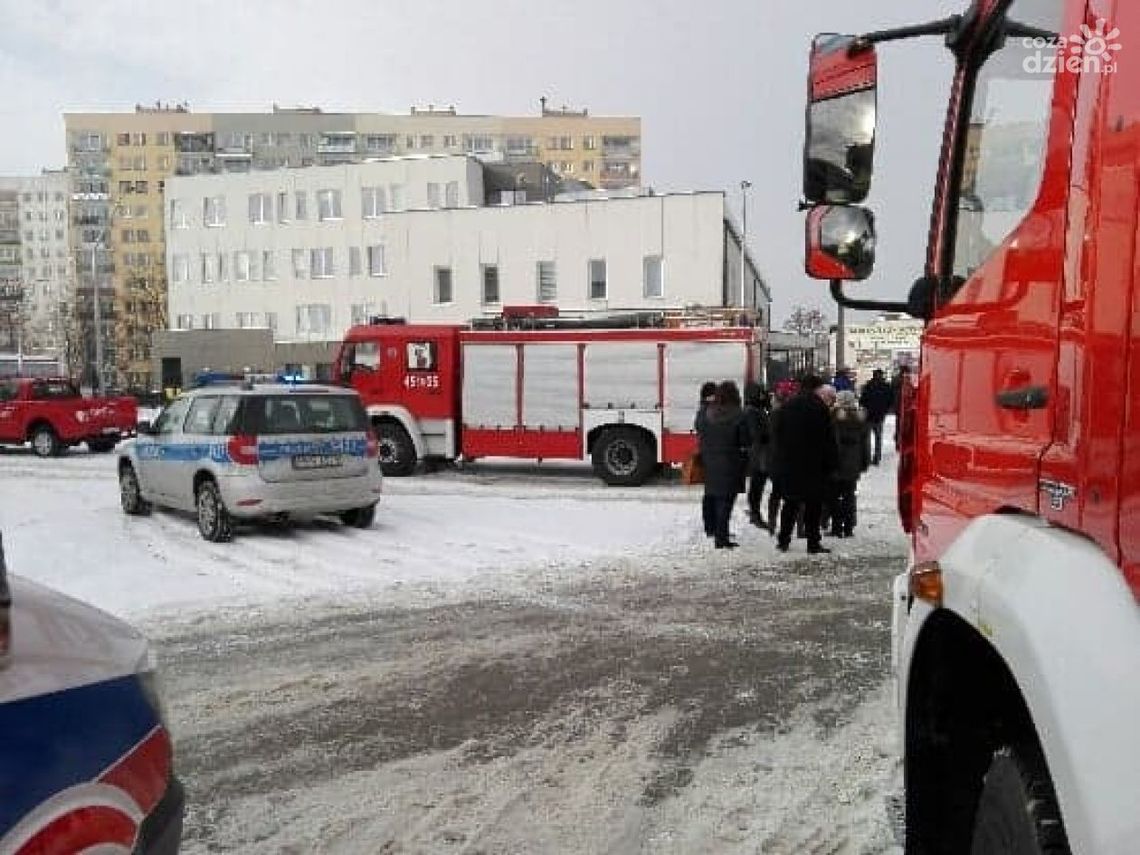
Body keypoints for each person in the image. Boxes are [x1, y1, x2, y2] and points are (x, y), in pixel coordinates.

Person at [770, 374, 838, 554]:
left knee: (790, 504)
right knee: (813, 505)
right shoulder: (819, 407)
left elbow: (777, 434)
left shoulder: (788, 406)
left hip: (791, 462)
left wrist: (780, 458)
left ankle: (783, 540)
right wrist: (831, 463)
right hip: (814, 463)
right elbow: (827, 438)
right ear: (817, 388)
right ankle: (813, 542)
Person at [696, 380, 748, 549]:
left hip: (710, 460)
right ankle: (721, 538)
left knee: (712, 496)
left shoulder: (707, 412)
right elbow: (744, 440)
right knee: (726, 500)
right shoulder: (738, 414)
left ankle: (712, 529)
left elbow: (699, 429)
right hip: (731, 462)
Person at [830, 390, 871, 537]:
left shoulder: (833, 417)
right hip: (853, 464)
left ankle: (836, 527)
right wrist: (865, 462)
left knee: (834, 497)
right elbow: (866, 445)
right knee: (849, 496)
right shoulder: (860, 420)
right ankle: (848, 527)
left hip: (835, 462)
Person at [742, 382, 772, 528]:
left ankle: (755, 512)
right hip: (759, 453)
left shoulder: (756, 409)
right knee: (757, 484)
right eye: (761, 393)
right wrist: (768, 435)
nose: (763, 396)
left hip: (759, 452)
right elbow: (756, 434)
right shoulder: (752, 411)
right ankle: (755, 513)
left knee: (757, 484)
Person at [694, 381, 719, 537]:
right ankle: (711, 527)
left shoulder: (704, 410)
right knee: (712, 494)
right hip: (712, 456)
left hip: (708, 455)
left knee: (712, 492)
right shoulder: (707, 412)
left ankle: (712, 526)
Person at [859, 368, 893, 465]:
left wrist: (865, 407)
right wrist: (885, 410)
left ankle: (867, 457)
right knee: (878, 437)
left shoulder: (868, 385)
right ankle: (877, 458)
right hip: (880, 416)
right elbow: (890, 400)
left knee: (867, 438)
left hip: (869, 415)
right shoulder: (886, 386)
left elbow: (862, 400)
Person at [890, 365, 912, 449]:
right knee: (902, 425)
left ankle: (898, 442)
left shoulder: (895, 380)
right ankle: (900, 442)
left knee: (898, 425)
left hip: (897, 406)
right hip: (903, 406)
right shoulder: (905, 381)